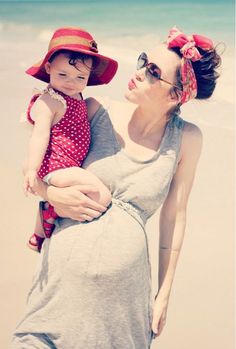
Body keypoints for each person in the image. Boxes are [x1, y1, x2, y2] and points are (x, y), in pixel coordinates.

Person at [12, 26, 221, 348]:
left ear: (176, 94)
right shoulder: (94, 109)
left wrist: (163, 296)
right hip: (57, 294)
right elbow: (41, 164)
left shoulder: (187, 139)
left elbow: (174, 217)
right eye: (141, 61)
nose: (137, 73)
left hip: (122, 311)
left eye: (152, 72)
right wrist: (49, 194)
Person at [23, 26, 118, 252]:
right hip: (56, 166)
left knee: (89, 193)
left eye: (80, 77)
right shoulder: (50, 101)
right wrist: (31, 169)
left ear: (89, 76)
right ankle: (55, 210)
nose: (70, 83)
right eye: (62, 75)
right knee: (101, 196)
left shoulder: (76, 96)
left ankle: (38, 234)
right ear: (48, 68)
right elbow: (40, 135)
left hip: (68, 165)